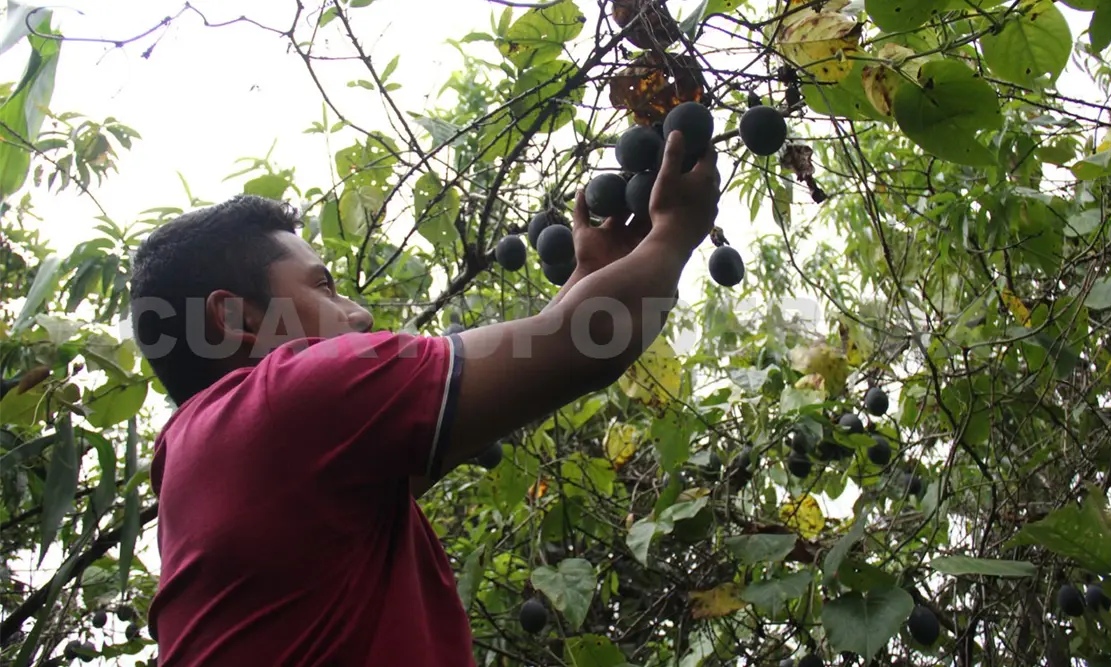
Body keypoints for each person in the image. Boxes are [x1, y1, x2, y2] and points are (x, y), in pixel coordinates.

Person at [129, 130, 720, 666]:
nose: (358, 314)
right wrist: (675, 231)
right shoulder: (293, 398)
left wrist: (584, 273)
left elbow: (525, 370)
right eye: (324, 286)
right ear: (235, 318)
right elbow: (583, 341)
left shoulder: (214, 460)